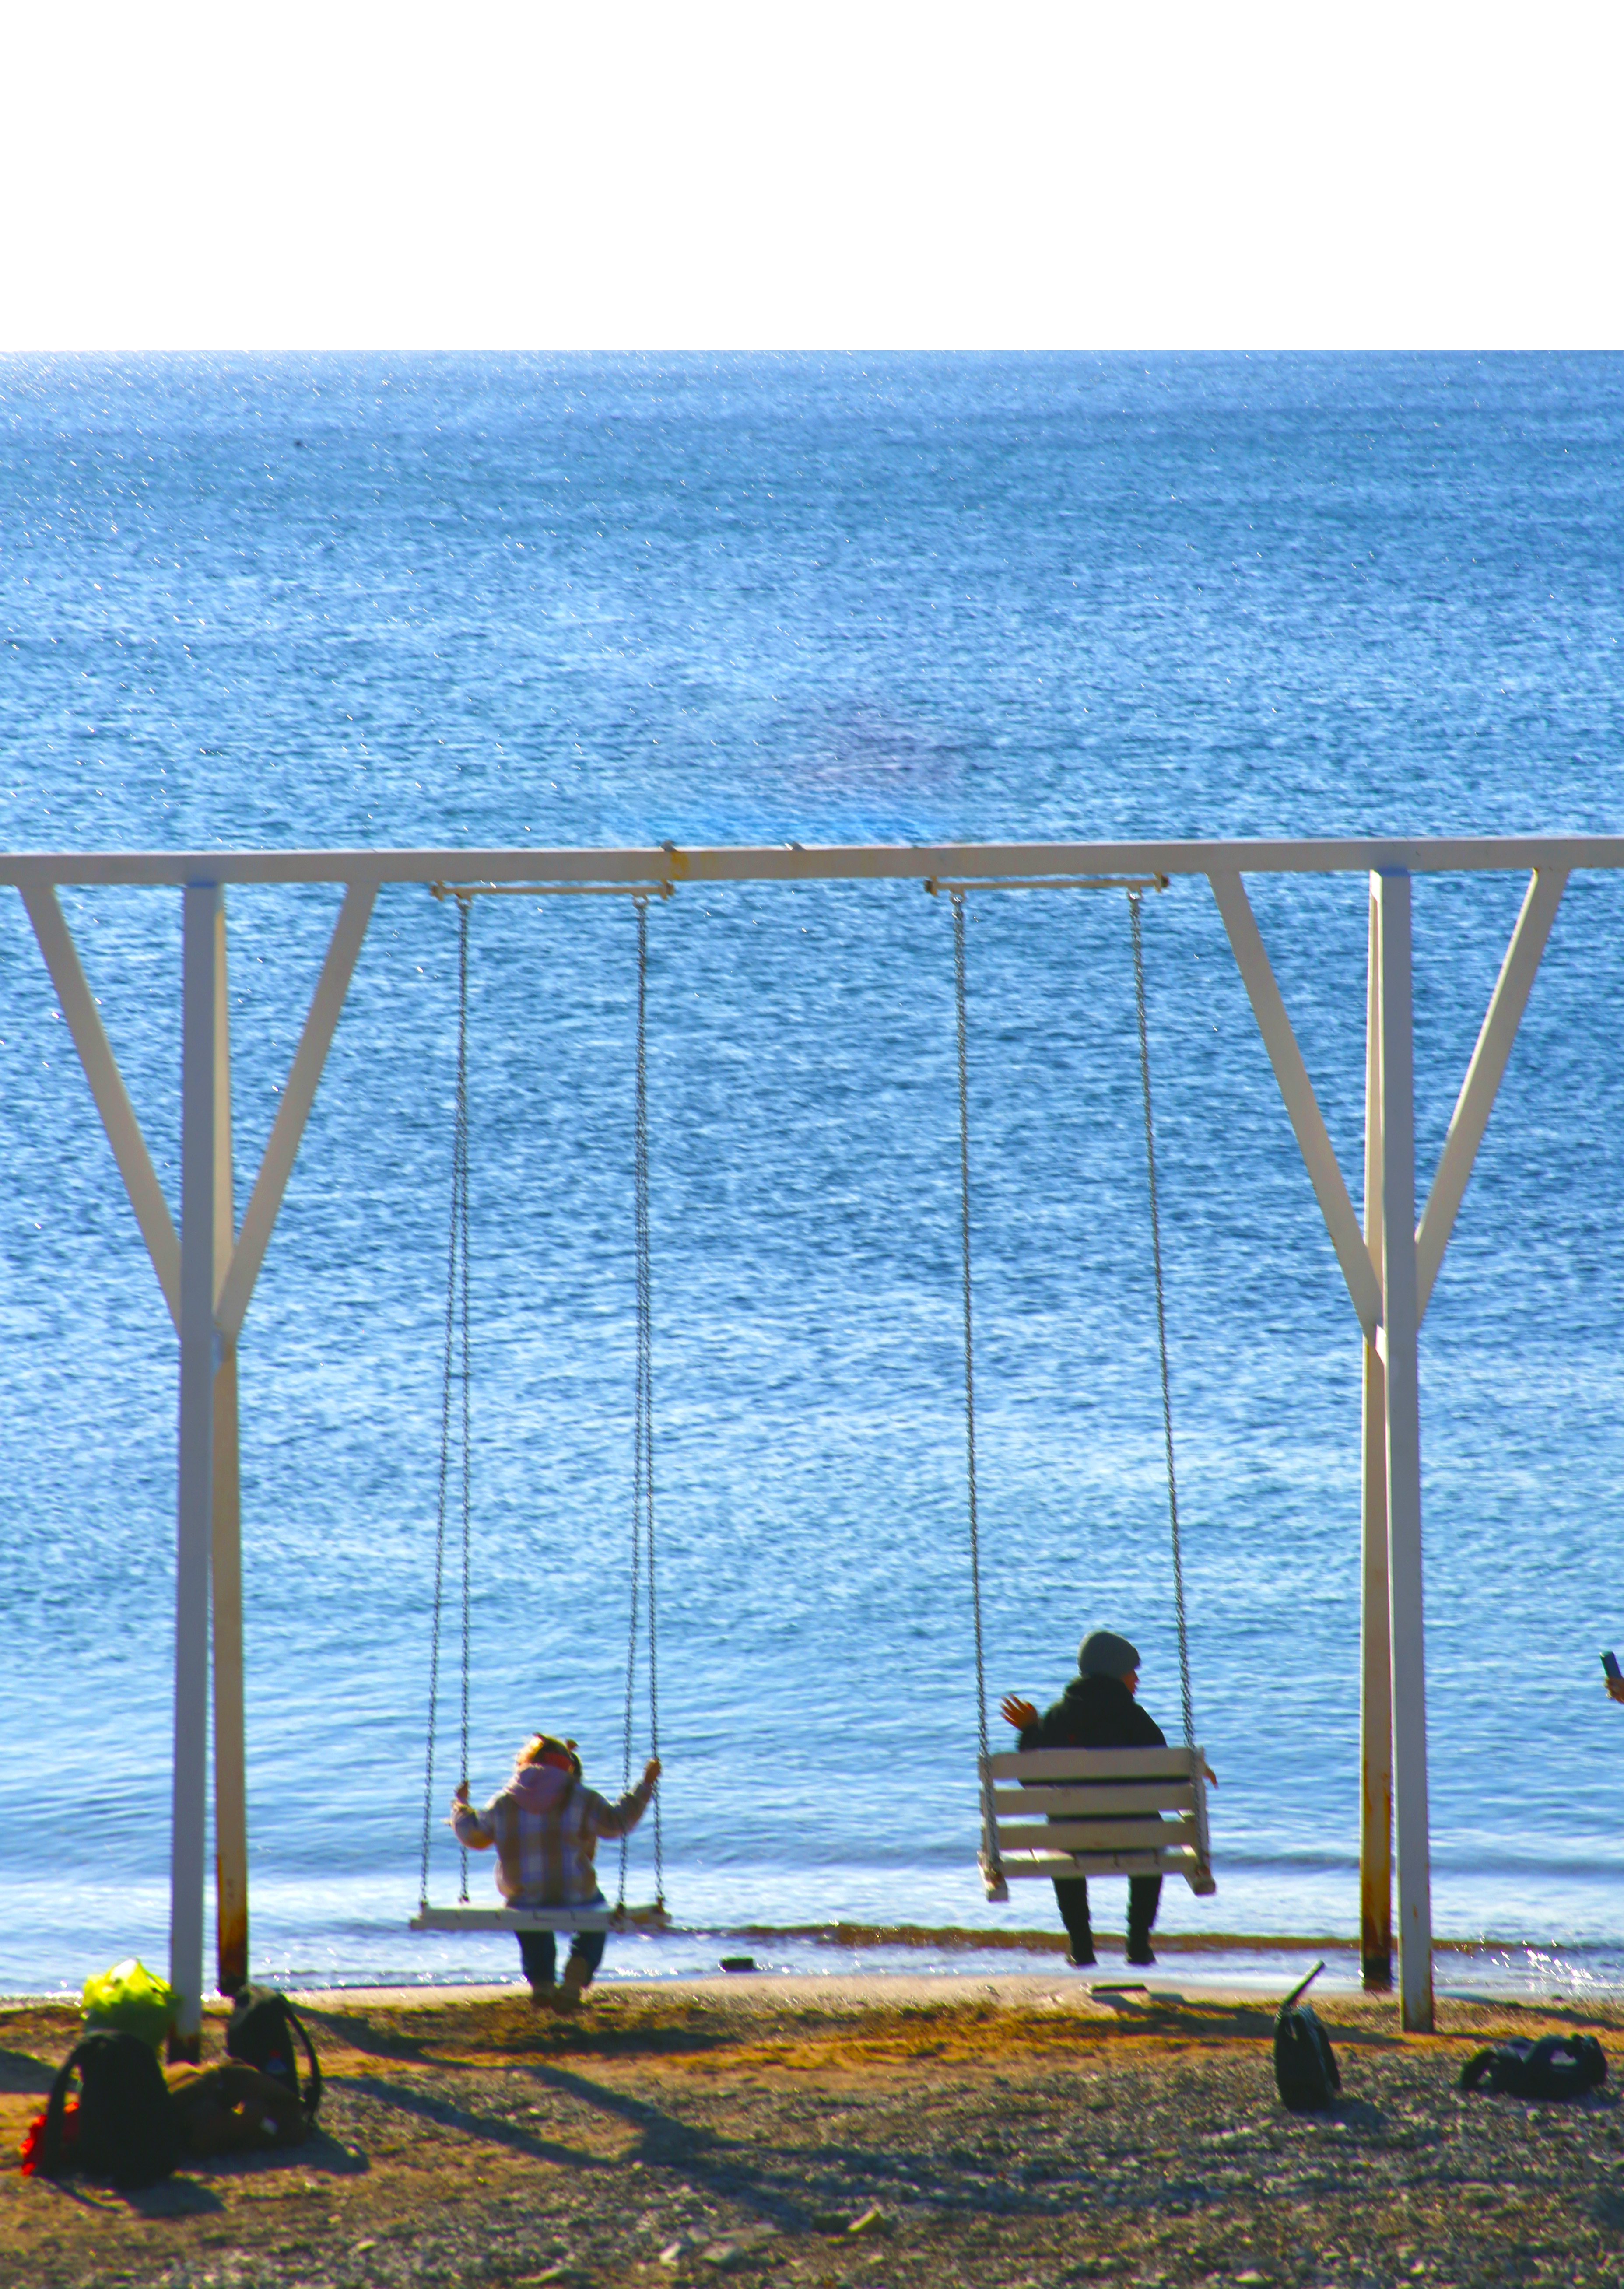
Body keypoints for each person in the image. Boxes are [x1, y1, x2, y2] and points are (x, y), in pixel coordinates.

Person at [1000, 1627, 1214, 1971]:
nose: (1136, 1680)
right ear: (1115, 1672)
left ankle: (1081, 1946)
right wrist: (1192, 1768)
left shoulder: (1057, 1717)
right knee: (1153, 1840)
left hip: (1072, 1839)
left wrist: (1029, 1729)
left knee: (1062, 1835)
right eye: (1131, 1672)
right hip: (1137, 1837)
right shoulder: (1135, 1717)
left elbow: (1031, 1779)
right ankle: (1138, 1944)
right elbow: (1167, 1774)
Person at [452, 1732, 660, 2009]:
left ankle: (542, 1983)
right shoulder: (581, 1797)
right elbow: (618, 1822)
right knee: (597, 1915)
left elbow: (473, 1836)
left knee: (527, 1917)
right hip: (576, 1893)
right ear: (566, 1766)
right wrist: (646, 1784)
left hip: (524, 1895)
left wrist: (460, 1807)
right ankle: (577, 1973)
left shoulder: (505, 1800)